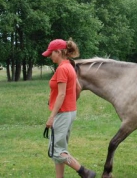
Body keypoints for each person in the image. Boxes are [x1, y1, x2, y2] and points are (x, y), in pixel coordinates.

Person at [42, 38, 96, 178]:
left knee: (56, 151)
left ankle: (84, 171)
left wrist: (51, 116)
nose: (49, 56)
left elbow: (61, 95)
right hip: (70, 112)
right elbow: (77, 88)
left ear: (59, 52)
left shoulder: (62, 69)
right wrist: (71, 102)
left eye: (51, 53)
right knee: (60, 148)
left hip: (62, 113)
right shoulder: (70, 66)